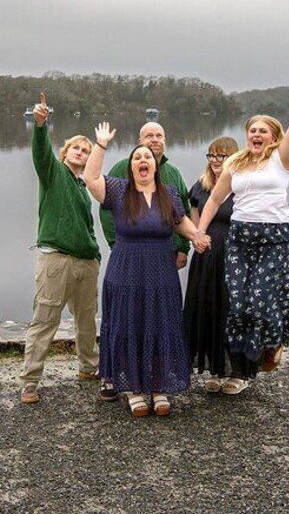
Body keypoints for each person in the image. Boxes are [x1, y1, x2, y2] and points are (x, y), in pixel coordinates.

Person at [196, 69, 289, 394]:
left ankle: (273, 343)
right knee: (238, 301)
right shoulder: (235, 164)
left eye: (262, 131)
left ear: (273, 136)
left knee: (261, 298)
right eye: (252, 130)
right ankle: (246, 360)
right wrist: (199, 232)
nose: (256, 134)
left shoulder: (281, 159)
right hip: (241, 238)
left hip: (274, 239)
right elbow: (214, 200)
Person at [83, 121, 210, 417]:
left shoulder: (169, 193)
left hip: (161, 272)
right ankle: (134, 389)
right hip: (126, 270)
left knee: (160, 325)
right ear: (131, 167)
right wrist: (100, 145)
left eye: (147, 158)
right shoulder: (118, 190)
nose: (143, 160)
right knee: (130, 326)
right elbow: (90, 178)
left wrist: (196, 236)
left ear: (155, 165)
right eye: (137, 157)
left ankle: (158, 386)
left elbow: (180, 221)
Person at [19, 93, 102, 404]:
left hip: (86, 262)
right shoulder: (53, 173)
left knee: (87, 319)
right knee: (45, 319)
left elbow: (88, 225)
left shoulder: (83, 187)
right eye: (76, 148)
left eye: (86, 150)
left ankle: (89, 367)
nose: (81, 152)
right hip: (56, 260)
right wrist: (41, 126)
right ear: (66, 153)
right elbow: (41, 154)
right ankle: (30, 382)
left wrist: (95, 254)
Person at [183, 137, 240, 393]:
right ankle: (216, 370)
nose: (215, 161)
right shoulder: (200, 187)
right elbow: (195, 224)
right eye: (212, 155)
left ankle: (238, 372)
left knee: (231, 312)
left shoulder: (241, 187)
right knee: (208, 311)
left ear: (234, 158)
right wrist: (196, 240)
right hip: (206, 259)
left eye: (221, 156)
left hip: (234, 258)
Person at [100, 122, 192, 269]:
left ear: (164, 140)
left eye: (159, 136)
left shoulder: (173, 173)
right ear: (140, 142)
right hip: (130, 254)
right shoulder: (123, 169)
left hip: (167, 254)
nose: (155, 140)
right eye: (149, 136)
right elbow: (106, 211)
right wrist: (115, 244)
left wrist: (183, 248)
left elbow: (184, 212)